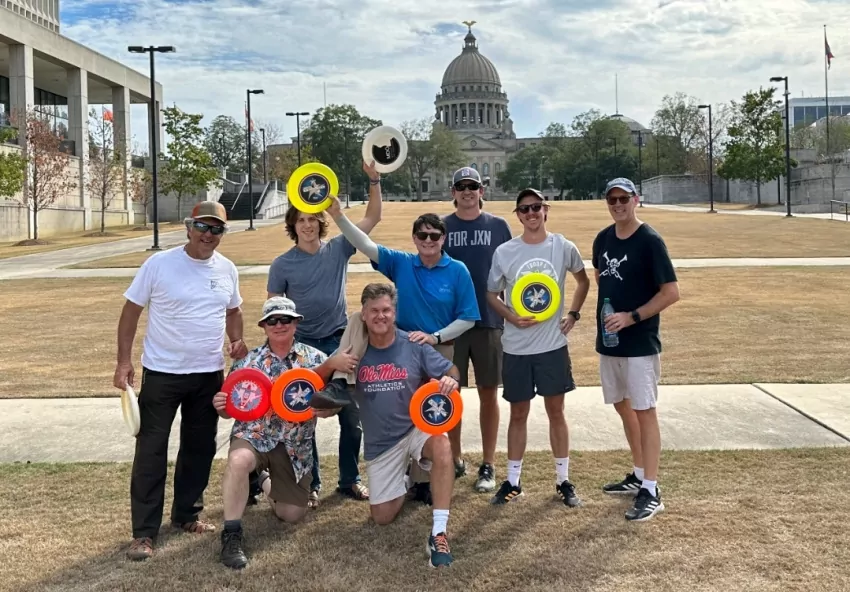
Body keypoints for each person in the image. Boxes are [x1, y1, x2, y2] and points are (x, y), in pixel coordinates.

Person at [317, 195, 479, 501]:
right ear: (414, 239)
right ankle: (340, 384)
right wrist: (338, 216)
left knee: (430, 415)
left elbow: (468, 317)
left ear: (443, 238)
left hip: (437, 347)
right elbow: (365, 244)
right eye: (422, 235)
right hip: (397, 345)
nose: (428, 240)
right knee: (399, 409)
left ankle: (421, 480)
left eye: (434, 235)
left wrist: (435, 336)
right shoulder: (403, 263)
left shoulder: (457, 270)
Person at [113, 201, 248, 561]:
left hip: (208, 374)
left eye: (216, 229)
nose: (208, 234)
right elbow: (131, 311)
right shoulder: (160, 264)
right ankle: (144, 533)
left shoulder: (227, 269)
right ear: (188, 227)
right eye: (202, 227)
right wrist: (123, 361)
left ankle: (187, 513)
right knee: (151, 452)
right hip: (162, 373)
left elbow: (233, 310)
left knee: (200, 446)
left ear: (222, 233)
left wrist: (236, 339)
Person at [265, 160, 383, 507]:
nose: (307, 226)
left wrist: (373, 180)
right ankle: (312, 483)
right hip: (301, 349)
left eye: (312, 220)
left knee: (351, 416)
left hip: (338, 340)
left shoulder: (339, 248)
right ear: (293, 225)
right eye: (300, 220)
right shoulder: (282, 264)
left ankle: (349, 479)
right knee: (305, 418)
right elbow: (274, 313)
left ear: (321, 223)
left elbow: (372, 218)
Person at [214, 296, 358, 569]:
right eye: (272, 320)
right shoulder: (248, 361)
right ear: (264, 326)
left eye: (285, 319)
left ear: (296, 323)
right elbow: (228, 408)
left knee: (291, 514)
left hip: (294, 446)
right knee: (238, 461)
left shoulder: (316, 358)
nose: (279, 325)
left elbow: (333, 402)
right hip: (253, 435)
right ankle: (232, 533)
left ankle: (264, 478)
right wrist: (220, 406)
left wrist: (329, 411)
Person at [327, 282, 461, 567]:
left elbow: (451, 369)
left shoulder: (411, 344)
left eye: (386, 309)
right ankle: (408, 479)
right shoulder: (354, 352)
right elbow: (332, 396)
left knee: (441, 443)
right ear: (363, 314)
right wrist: (322, 407)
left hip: (415, 428)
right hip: (382, 442)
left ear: (394, 312)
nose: (381, 316)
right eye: (374, 310)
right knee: (382, 517)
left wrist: (451, 379)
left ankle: (438, 532)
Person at [485, 188, 590, 507]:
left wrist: (573, 314)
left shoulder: (562, 246)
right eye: (524, 209)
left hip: (551, 347)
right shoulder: (505, 251)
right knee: (518, 414)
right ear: (518, 215)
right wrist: (510, 317)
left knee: (556, 412)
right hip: (516, 348)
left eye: (536, 208)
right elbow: (492, 294)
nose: (531, 214)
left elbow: (583, 280)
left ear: (546, 210)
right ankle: (513, 481)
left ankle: (563, 480)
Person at [593, 178, 680, 522]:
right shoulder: (603, 238)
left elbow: (671, 292)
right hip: (610, 341)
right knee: (621, 405)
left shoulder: (650, 241)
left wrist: (632, 317)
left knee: (645, 410)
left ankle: (652, 489)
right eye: (612, 199)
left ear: (636, 200)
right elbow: (603, 277)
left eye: (624, 198)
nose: (618, 205)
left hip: (640, 341)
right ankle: (639, 473)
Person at [442, 166, 513, 493]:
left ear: (482, 190)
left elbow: (511, 272)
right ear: (453, 191)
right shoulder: (442, 227)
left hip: (489, 321)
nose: (467, 191)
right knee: (450, 395)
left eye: (473, 186)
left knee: (488, 394)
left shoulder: (498, 226)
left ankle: (488, 463)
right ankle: (454, 458)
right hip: (453, 325)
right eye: (461, 186)